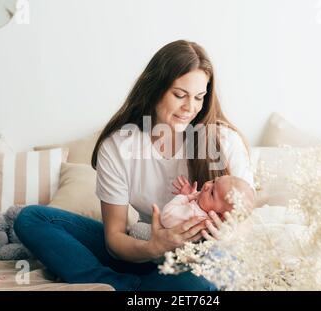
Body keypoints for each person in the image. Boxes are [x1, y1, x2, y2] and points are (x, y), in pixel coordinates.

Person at [14, 39, 255, 291]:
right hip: (141, 250)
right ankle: (117, 284)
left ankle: (132, 288)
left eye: (199, 97)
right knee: (31, 218)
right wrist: (154, 247)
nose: (190, 108)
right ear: (155, 88)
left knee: (202, 281)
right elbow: (114, 239)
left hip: (194, 262)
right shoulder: (119, 146)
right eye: (180, 95)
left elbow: (247, 221)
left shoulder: (223, 141)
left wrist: (227, 237)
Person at [129, 175, 255, 241]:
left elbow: (167, 217)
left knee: (136, 228)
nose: (206, 185)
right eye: (213, 181)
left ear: (220, 216)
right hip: (170, 245)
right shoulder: (206, 214)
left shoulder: (196, 216)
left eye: (212, 193)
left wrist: (185, 197)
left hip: (163, 246)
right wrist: (193, 195)